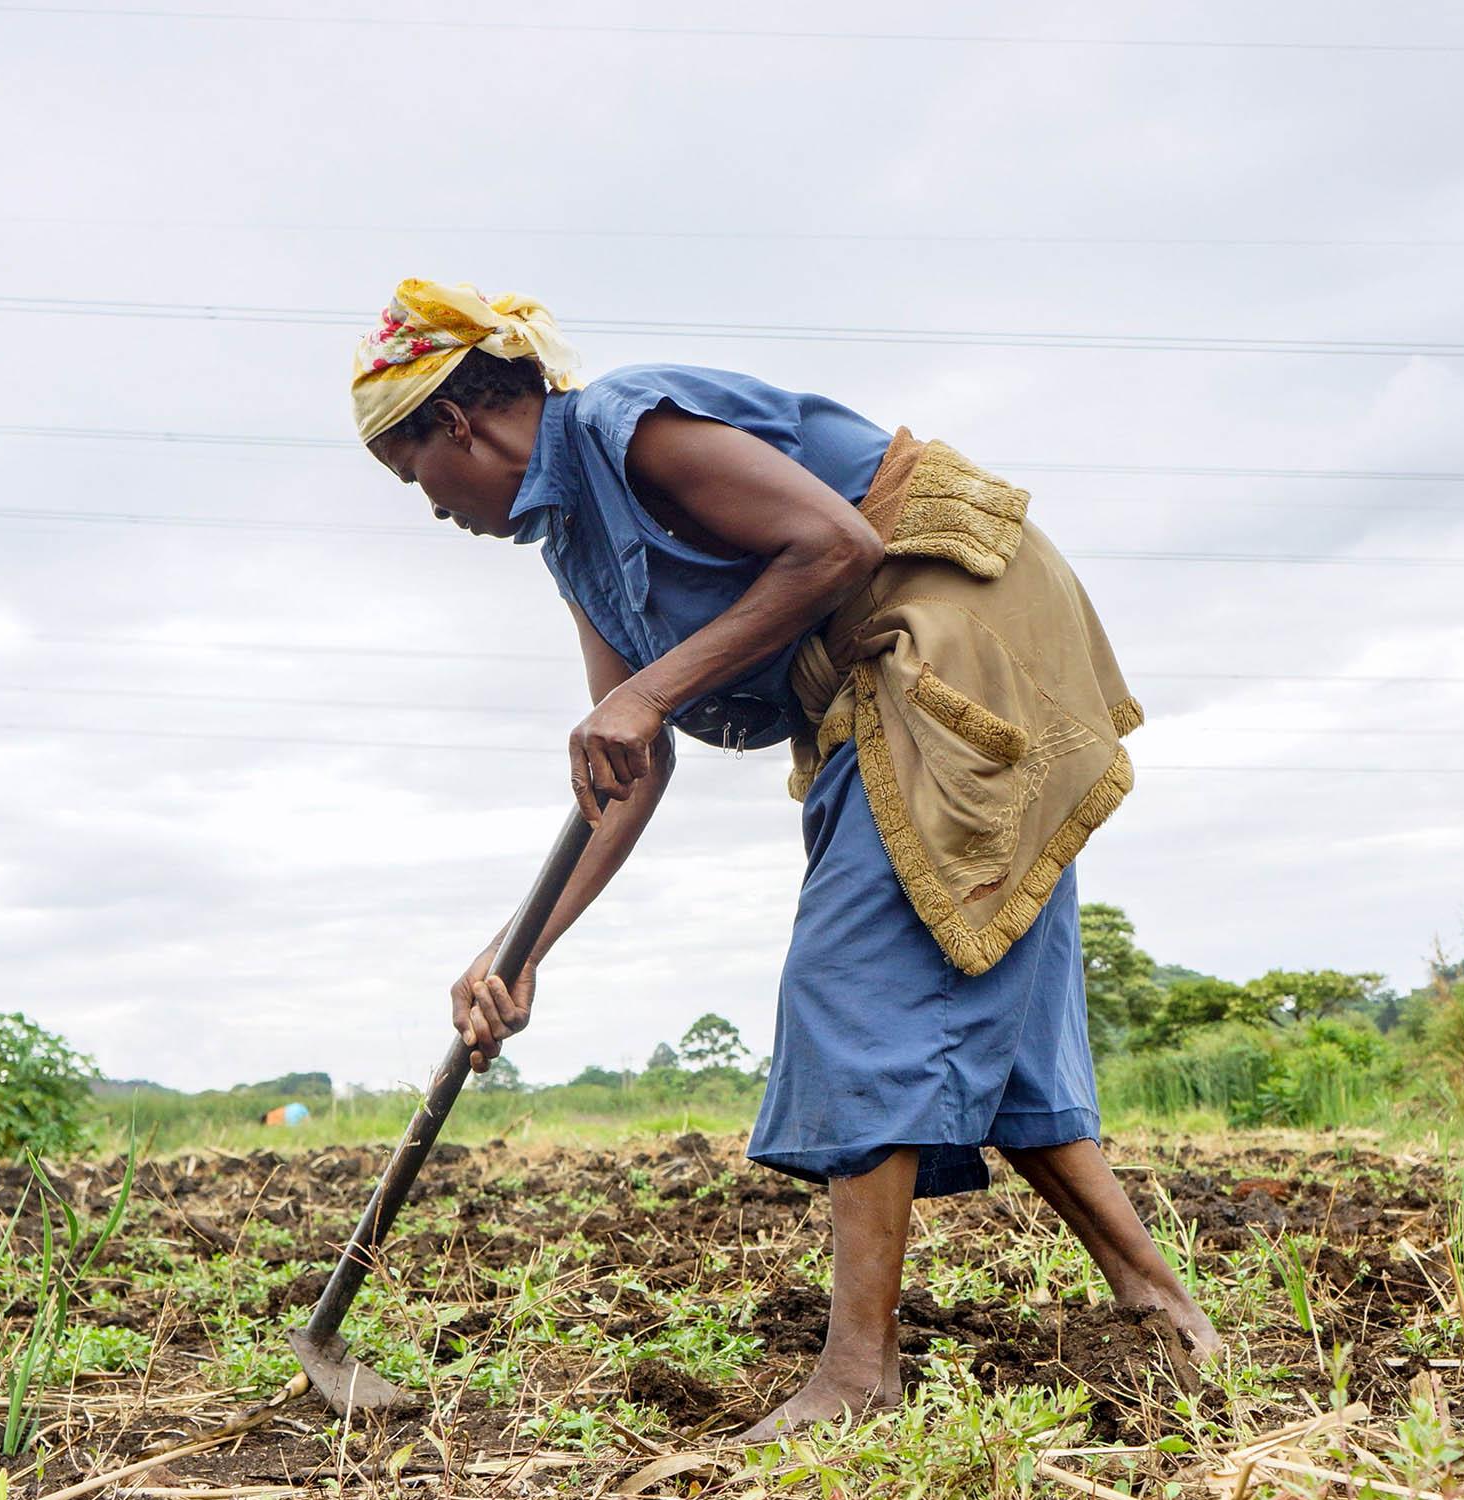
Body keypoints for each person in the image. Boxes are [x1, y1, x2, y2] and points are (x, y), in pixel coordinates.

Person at [351, 280, 1218, 1441]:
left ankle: (857, 1374)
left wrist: (652, 691)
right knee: (980, 1006)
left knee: (854, 987)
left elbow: (835, 541)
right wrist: (519, 950)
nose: (433, 510)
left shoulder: (624, 423)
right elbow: (629, 764)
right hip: (872, 685)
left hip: (948, 635)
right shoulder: (576, 545)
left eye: (416, 480)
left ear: (456, 424)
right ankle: (1162, 1305)